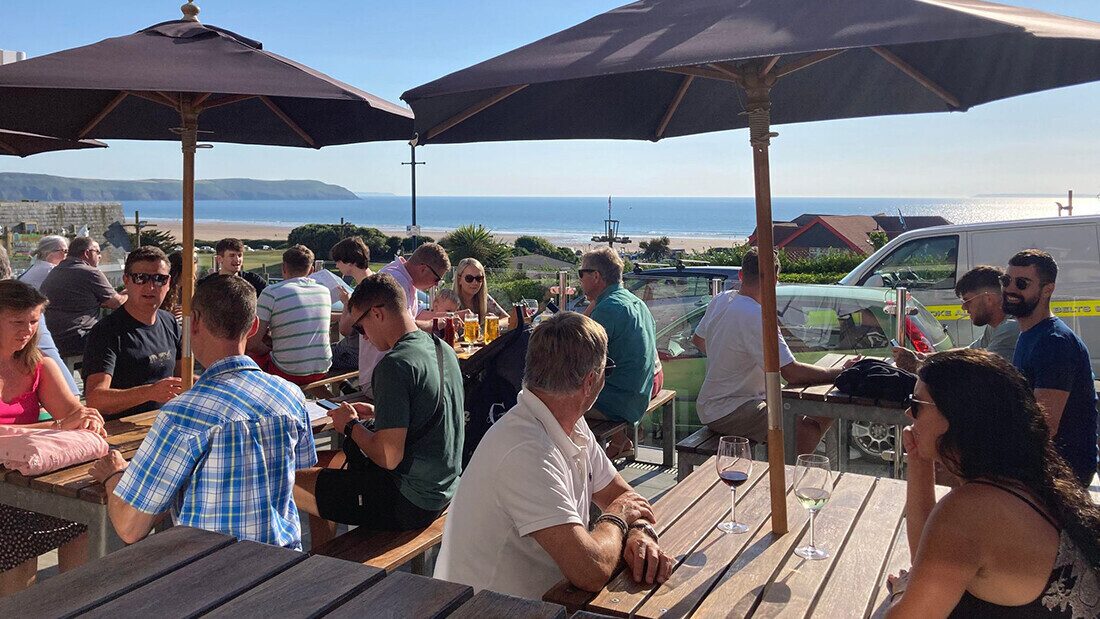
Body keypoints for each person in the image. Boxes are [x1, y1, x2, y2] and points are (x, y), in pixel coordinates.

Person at [436, 312, 672, 598]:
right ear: (590, 381)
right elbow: (591, 571)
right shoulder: (525, 450)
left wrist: (640, 532)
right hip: (483, 610)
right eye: (606, 370)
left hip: (539, 602)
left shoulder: (568, 421)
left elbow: (621, 495)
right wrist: (618, 519)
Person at [89, 276, 317, 549]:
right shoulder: (290, 394)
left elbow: (130, 527)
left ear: (194, 322)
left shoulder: (183, 415)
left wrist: (113, 475)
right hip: (282, 561)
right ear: (253, 325)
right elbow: (301, 470)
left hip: (209, 572)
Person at [885, 349, 1100, 617]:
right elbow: (928, 559)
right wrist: (919, 461)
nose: (908, 413)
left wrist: (903, 592)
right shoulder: (1029, 481)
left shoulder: (968, 511)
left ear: (959, 419)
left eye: (916, 404)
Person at [294, 273, 464, 545]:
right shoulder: (442, 348)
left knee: (287, 479)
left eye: (361, 329)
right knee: (321, 467)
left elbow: (388, 456)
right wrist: (378, 412)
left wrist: (349, 425)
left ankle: (321, 567)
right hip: (444, 488)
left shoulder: (394, 365)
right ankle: (324, 558)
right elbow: (429, 406)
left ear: (377, 314)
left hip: (408, 500)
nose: (365, 338)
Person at [693, 248, 856, 455]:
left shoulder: (722, 299)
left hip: (715, 405)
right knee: (806, 429)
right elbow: (791, 373)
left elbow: (698, 339)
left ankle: (777, 468)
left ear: (741, 275)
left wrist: (727, 357)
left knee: (801, 413)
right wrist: (841, 372)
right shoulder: (757, 315)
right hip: (730, 410)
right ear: (775, 280)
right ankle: (783, 477)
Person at [0, 280, 105, 595]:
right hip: (11, 490)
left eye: (34, 321)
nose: (28, 330)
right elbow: (60, 425)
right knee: (16, 533)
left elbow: (72, 414)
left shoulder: (38, 366)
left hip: (24, 479)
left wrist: (86, 419)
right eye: (18, 321)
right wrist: (55, 427)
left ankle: (73, 605)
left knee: (81, 520)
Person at [1003, 249, 1097, 486]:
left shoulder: (1054, 342)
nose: (1010, 289)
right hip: (1042, 463)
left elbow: (1045, 425)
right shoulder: (1029, 334)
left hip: (1062, 472)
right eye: (1006, 281)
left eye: (1022, 283)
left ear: (1048, 290)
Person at [338, 242, 450, 398]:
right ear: (423, 268)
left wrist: (446, 317)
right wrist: (436, 324)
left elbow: (412, 317)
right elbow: (405, 327)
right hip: (380, 375)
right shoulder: (396, 281)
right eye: (437, 278)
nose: (436, 284)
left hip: (393, 370)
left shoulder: (406, 279)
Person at [82, 247, 182, 418]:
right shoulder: (107, 331)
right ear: (126, 280)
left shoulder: (170, 322)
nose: (150, 286)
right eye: (141, 278)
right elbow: (95, 399)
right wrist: (149, 392)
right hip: (122, 429)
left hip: (164, 422)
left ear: (168, 283)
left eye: (159, 279)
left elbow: (183, 378)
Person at [577, 248, 656, 457]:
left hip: (617, 402)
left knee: (550, 402)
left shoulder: (607, 309)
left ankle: (575, 467)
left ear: (596, 276)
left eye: (581, 273)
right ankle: (621, 441)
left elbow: (578, 357)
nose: (579, 280)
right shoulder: (635, 302)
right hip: (639, 394)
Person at [893, 265, 1019, 372]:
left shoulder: (1009, 328)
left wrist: (917, 365)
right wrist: (924, 356)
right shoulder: (995, 327)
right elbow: (968, 353)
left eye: (967, 301)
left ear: (989, 299)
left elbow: (980, 371)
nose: (964, 307)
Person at [247, 245, 332, 386]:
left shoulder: (272, 292)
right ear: (311, 270)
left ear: (284, 268)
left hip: (286, 372)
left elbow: (252, 343)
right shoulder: (324, 291)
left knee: (247, 354)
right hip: (322, 368)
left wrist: (270, 349)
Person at [0, 247, 79, 395]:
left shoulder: (25, 312)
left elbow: (72, 409)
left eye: (32, 322)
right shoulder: (28, 309)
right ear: (9, 269)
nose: (28, 329)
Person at [40, 236, 127, 358]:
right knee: (125, 337)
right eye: (97, 252)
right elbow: (117, 303)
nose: (100, 256)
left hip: (52, 338)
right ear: (87, 253)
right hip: (77, 338)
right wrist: (129, 293)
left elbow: (75, 300)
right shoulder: (90, 272)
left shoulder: (56, 270)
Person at [329, 237, 373, 373]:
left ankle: (341, 392)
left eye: (338, 261)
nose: (336, 265)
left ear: (350, 262)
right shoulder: (376, 281)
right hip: (364, 351)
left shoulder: (362, 292)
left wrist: (346, 302)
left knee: (313, 360)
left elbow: (344, 330)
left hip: (354, 354)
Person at [197, 237, 267, 296]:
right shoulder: (206, 284)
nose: (237, 259)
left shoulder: (255, 282)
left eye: (240, 255)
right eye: (232, 255)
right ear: (219, 259)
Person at [453, 257, 508, 328]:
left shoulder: (484, 298)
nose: (475, 282)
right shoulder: (450, 299)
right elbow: (437, 318)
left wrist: (495, 323)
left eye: (479, 278)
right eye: (469, 278)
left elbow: (508, 319)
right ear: (459, 280)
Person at [161, 250, 196, 324]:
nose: (195, 278)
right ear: (178, 273)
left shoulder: (188, 293)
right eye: (191, 274)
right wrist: (169, 316)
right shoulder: (162, 291)